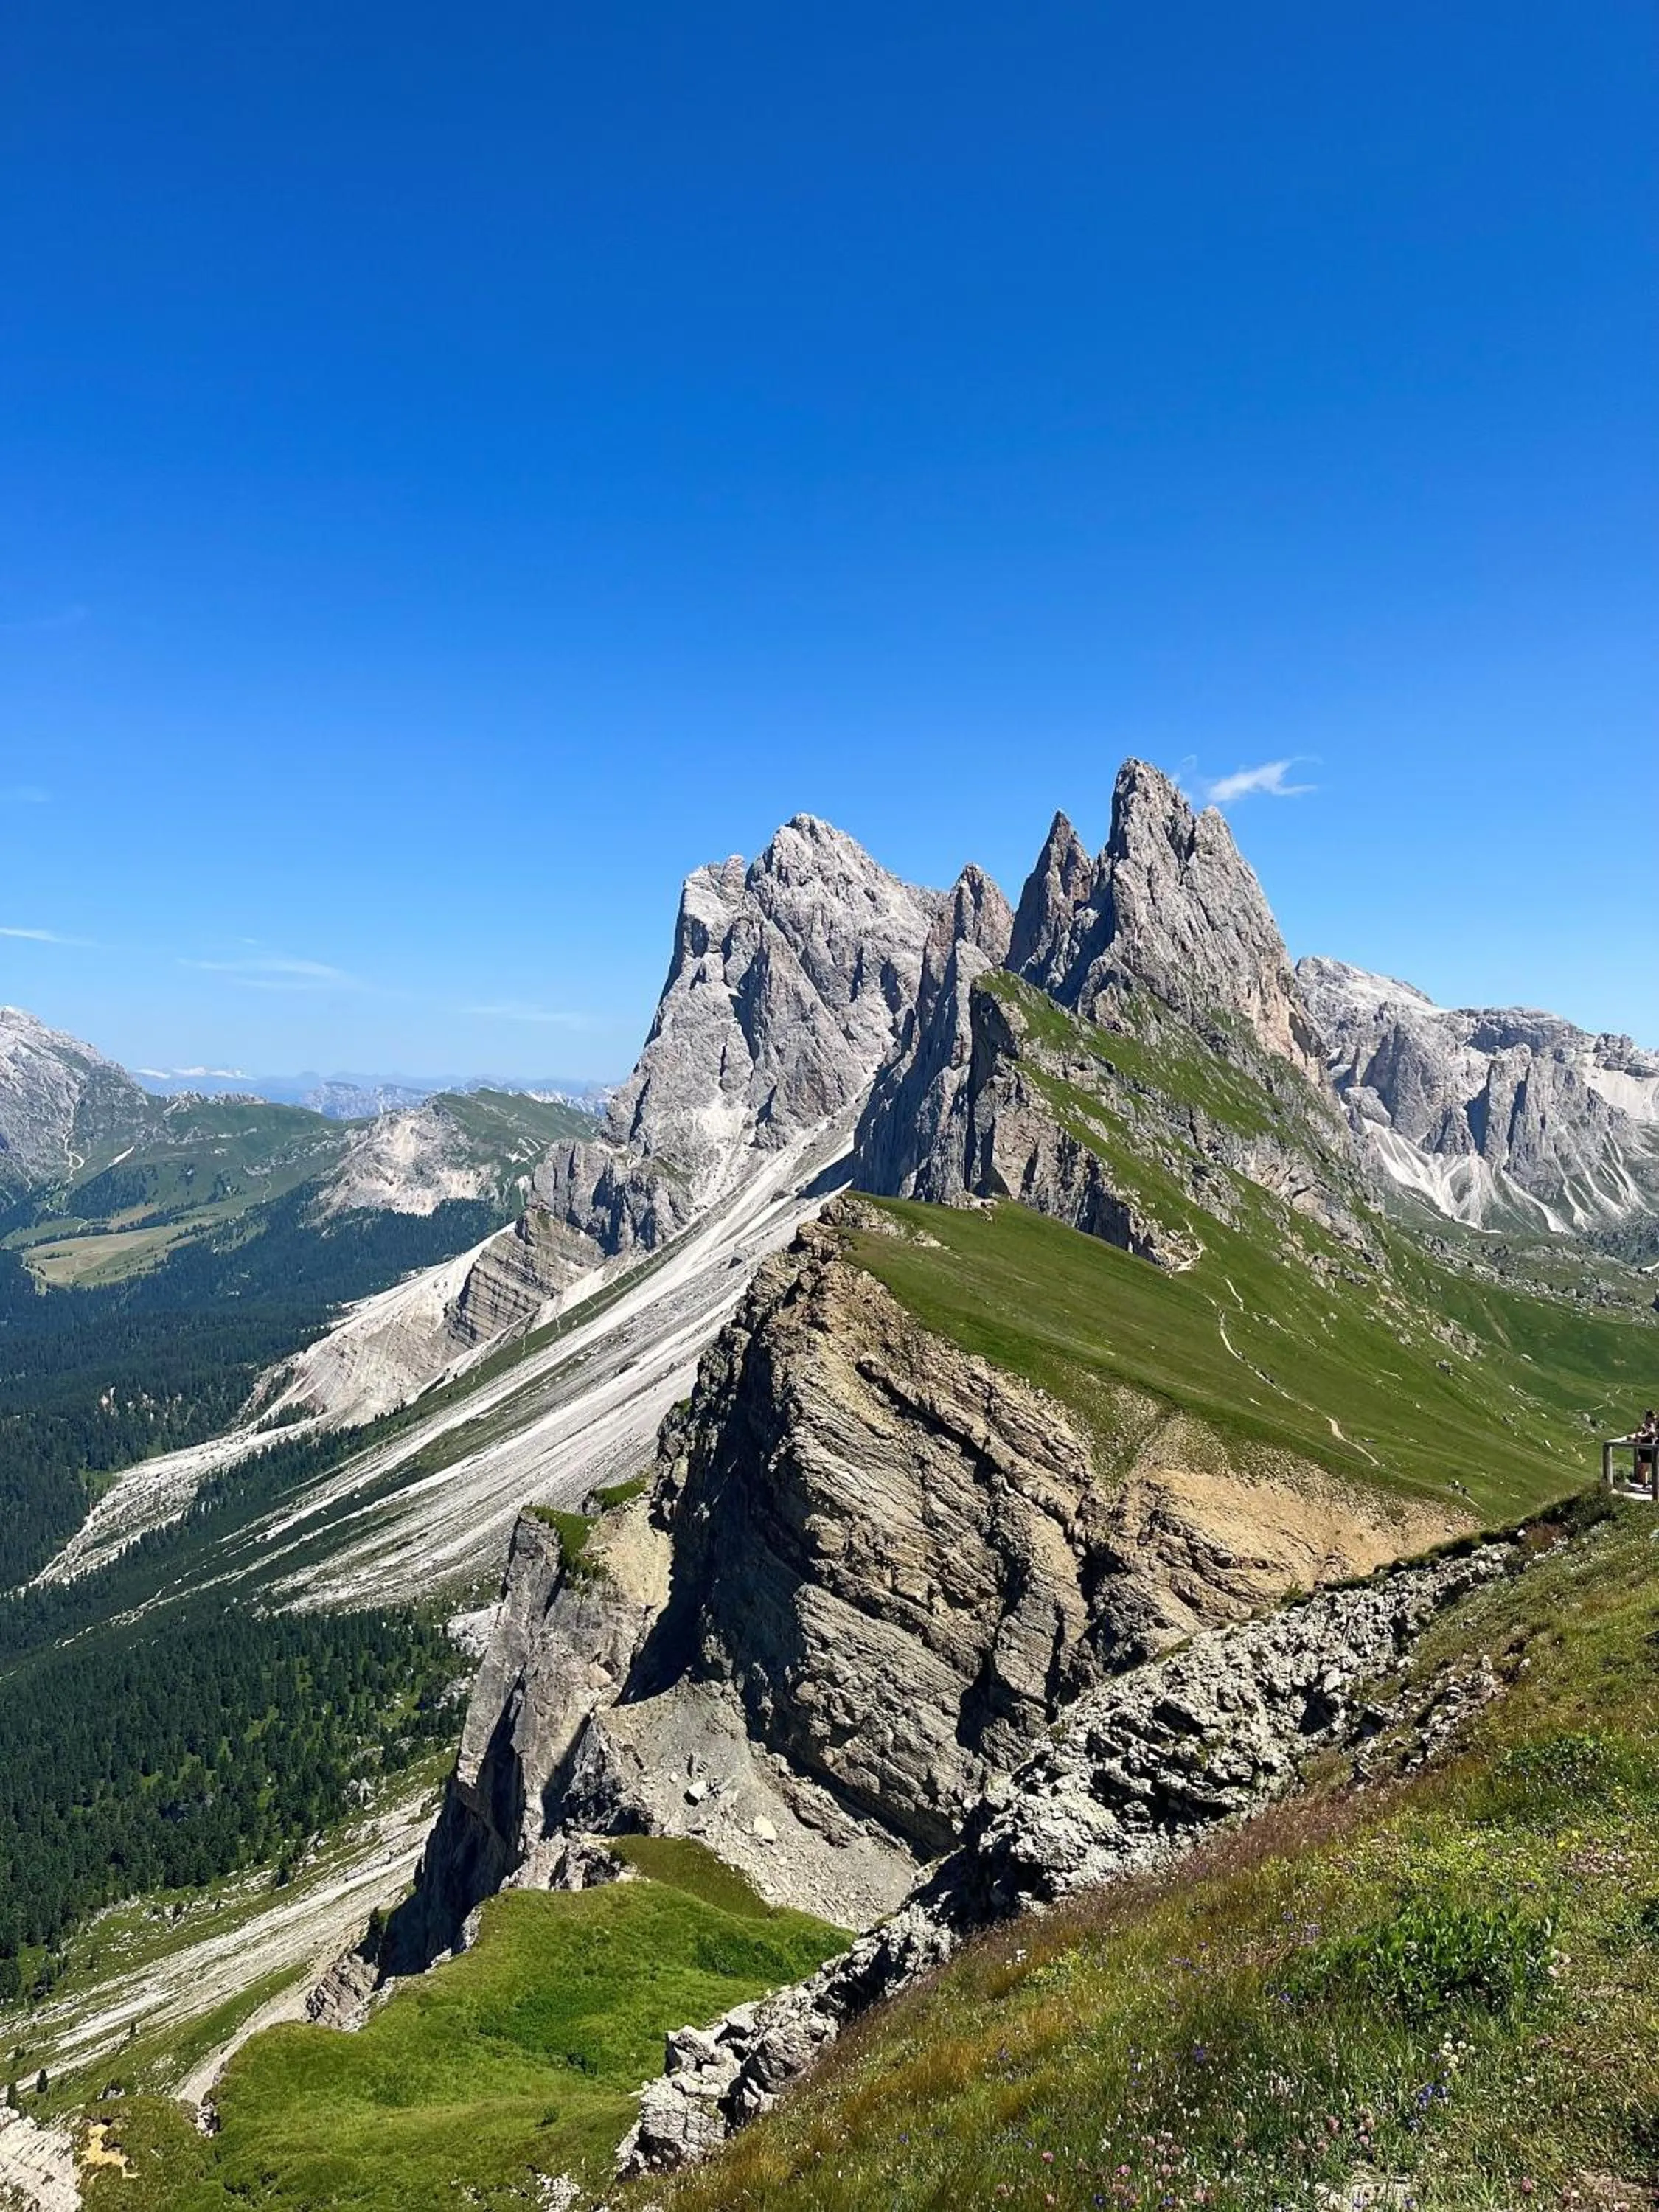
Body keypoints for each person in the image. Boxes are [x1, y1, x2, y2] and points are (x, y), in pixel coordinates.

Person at [1635, 1409, 1658, 1489]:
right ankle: (1644, 1483)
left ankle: (1645, 1482)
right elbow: (1638, 1435)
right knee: (1645, 1467)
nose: (1654, 1420)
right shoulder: (1643, 1426)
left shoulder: (1652, 1425)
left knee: (1648, 1467)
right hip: (1644, 1448)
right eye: (1653, 1418)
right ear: (1648, 1417)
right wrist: (1647, 1434)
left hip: (1651, 1447)